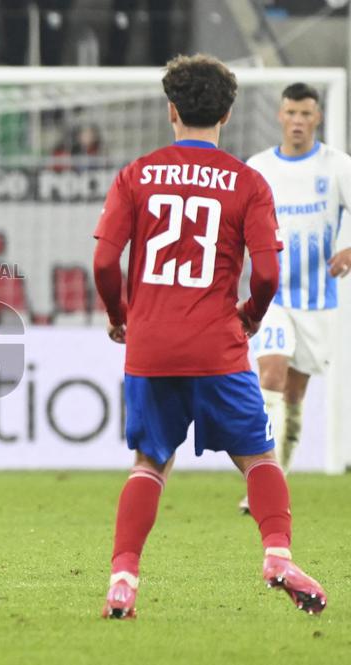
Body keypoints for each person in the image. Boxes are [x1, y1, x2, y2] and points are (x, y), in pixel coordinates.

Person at [92, 54, 326, 618]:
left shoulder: (136, 175)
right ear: (227, 114)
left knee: (150, 463)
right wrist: (249, 313)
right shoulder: (248, 182)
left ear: (171, 110)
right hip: (217, 346)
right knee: (259, 458)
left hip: (150, 347)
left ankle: (123, 578)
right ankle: (276, 554)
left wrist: (119, 312)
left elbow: (103, 260)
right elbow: (268, 273)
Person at [238, 83, 351, 512]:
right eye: (291, 113)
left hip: (318, 300)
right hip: (272, 297)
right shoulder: (259, 167)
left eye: (306, 113)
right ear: (280, 116)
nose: (298, 121)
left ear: (317, 118)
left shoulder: (338, 167)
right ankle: (262, 485)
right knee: (270, 376)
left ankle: (276, 476)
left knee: (295, 393)